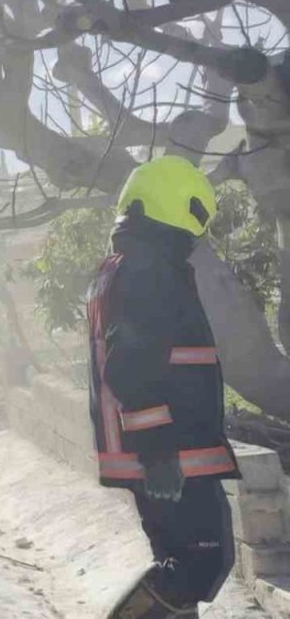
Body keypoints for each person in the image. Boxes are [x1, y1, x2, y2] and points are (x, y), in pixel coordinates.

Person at [89, 156, 240, 619]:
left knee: (178, 566)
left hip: (164, 450)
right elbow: (129, 367)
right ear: (181, 206)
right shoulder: (149, 269)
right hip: (171, 452)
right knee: (199, 566)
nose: (198, 235)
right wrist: (157, 450)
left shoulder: (123, 266)